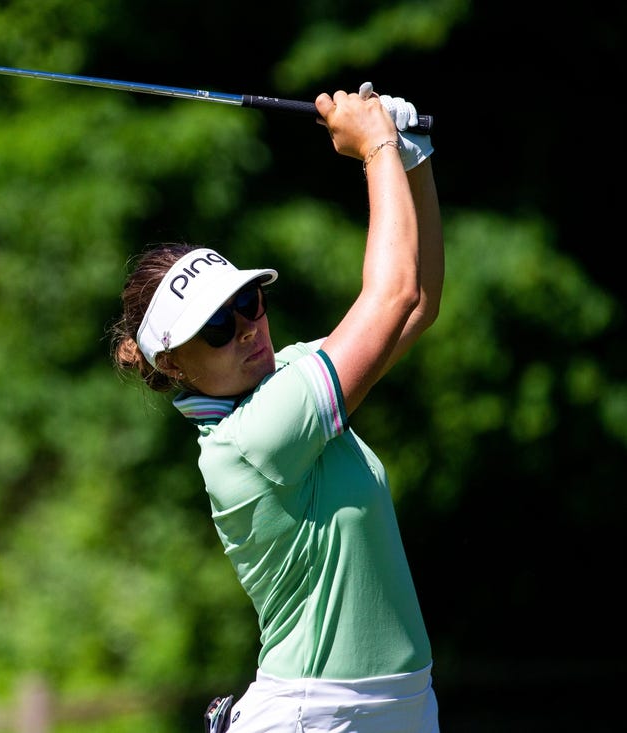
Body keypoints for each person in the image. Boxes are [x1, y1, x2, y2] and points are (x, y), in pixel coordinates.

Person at [109, 83, 443, 733]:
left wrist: (412, 157)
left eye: (247, 301)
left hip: (400, 706)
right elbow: (393, 292)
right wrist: (375, 146)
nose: (245, 327)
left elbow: (420, 302)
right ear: (173, 364)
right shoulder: (250, 436)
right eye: (216, 326)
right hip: (317, 716)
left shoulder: (288, 371)